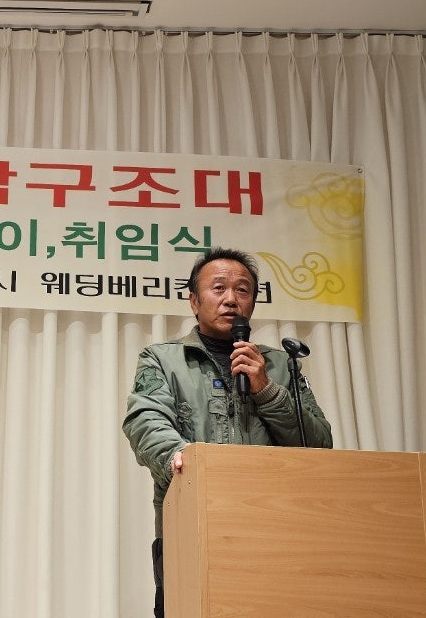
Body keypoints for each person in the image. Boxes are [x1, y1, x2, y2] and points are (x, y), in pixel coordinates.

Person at [122, 247, 333, 618]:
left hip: (274, 530)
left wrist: (266, 389)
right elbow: (146, 422)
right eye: (218, 288)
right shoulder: (162, 359)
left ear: (253, 302)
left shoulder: (279, 364)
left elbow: (318, 444)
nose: (231, 299)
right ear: (194, 301)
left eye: (243, 290)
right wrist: (185, 462)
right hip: (191, 524)